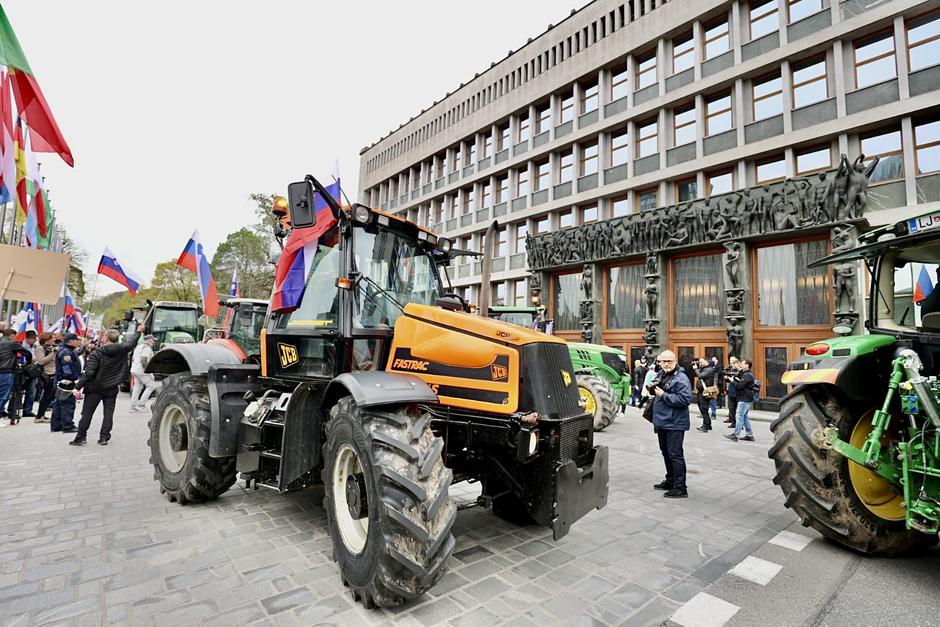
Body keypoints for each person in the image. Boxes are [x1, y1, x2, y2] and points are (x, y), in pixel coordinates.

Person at [70, 325, 141, 446]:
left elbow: (89, 373)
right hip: (112, 387)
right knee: (108, 413)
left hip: (94, 388)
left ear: (106, 338)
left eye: (103, 335)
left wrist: (77, 387)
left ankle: (80, 437)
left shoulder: (96, 354)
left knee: (87, 413)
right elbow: (132, 341)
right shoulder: (123, 349)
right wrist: (138, 331)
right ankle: (104, 437)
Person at [650, 350, 692, 498]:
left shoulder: (681, 378)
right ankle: (671, 480)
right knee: (666, 452)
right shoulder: (662, 374)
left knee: (675, 454)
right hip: (663, 421)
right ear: (659, 362)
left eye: (669, 361)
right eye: (664, 361)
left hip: (675, 423)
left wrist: (663, 395)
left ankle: (681, 487)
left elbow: (685, 399)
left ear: (675, 362)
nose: (666, 364)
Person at [51, 333, 82, 433]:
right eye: (76, 340)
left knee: (59, 403)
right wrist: (75, 378)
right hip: (67, 381)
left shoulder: (67, 350)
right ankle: (68, 426)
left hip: (62, 380)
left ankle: (56, 425)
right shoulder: (66, 352)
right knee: (67, 404)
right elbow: (67, 368)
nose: (78, 341)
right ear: (71, 341)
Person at [0, 328, 32, 422]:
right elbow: (27, 353)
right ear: (12, 335)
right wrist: (28, 364)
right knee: (4, 395)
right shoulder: (12, 343)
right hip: (6, 371)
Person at [725, 358, 756, 442]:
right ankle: (749, 435)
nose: (740, 365)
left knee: (739, 416)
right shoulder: (744, 373)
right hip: (744, 398)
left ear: (747, 365)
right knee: (744, 417)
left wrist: (732, 381)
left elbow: (739, 386)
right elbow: (739, 380)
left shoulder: (748, 375)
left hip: (744, 398)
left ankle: (736, 435)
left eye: (742, 364)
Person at [129, 334, 158, 412]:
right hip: (141, 370)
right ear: (150, 340)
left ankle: (133, 407)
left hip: (134, 369)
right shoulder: (147, 348)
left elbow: (133, 358)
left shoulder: (138, 347)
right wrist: (147, 369)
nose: (154, 341)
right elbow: (143, 359)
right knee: (151, 386)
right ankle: (141, 405)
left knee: (137, 388)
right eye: (153, 340)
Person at [33, 333, 57, 422]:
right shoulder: (40, 348)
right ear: (47, 338)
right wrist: (52, 354)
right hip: (47, 374)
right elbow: (40, 362)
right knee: (47, 396)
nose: (54, 340)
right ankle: (39, 416)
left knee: (50, 396)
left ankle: (41, 415)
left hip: (54, 373)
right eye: (52, 338)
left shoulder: (51, 347)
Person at [693, 356, 717, 432]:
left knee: (704, 408)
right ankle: (708, 424)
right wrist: (698, 368)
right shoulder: (703, 368)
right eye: (699, 362)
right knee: (702, 407)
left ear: (706, 361)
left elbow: (700, 375)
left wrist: (696, 369)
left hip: (705, 392)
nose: (700, 363)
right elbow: (697, 374)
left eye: (701, 362)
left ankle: (705, 426)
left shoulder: (710, 369)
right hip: (701, 391)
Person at [20, 330, 41, 418]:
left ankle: (27, 410)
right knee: (18, 391)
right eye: (33, 339)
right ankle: (13, 409)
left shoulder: (35, 347)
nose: (34, 340)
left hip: (32, 371)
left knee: (31, 391)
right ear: (28, 339)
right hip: (22, 370)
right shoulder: (21, 346)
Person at [723, 356, 740, 426]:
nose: (731, 364)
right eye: (730, 362)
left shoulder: (740, 371)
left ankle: (737, 423)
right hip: (731, 390)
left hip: (737, 391)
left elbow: (740, 381)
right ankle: (733, 420)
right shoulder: (730, 368)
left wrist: (733, 378)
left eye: (733, 362)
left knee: (737, 409)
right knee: (731, 407)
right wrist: (727, 377)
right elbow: (726, 376)